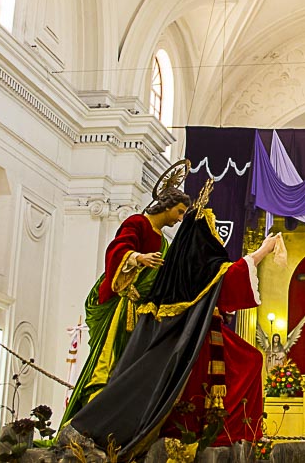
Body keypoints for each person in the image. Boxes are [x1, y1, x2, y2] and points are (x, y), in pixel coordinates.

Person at [67, 202, 281, 461]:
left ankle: (233, 432)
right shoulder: (195, 263)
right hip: (192, 339)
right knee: (248, 361)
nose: (215, 237)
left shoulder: (183, 263)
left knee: (250, 359)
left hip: (199, 333)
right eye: (212, 231)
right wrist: (263, 250)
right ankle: (224, 432)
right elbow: (228, 280)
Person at [62, 187, 191, 423]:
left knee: (128, 364)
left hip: (139, 312)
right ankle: (92, 413)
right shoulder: (138, 223)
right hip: (121, 306)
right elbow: (117, 248)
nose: (180, 218)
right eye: (179, 211)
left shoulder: (163, 241)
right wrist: (138, 257)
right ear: (166, 205)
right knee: (108, 361)